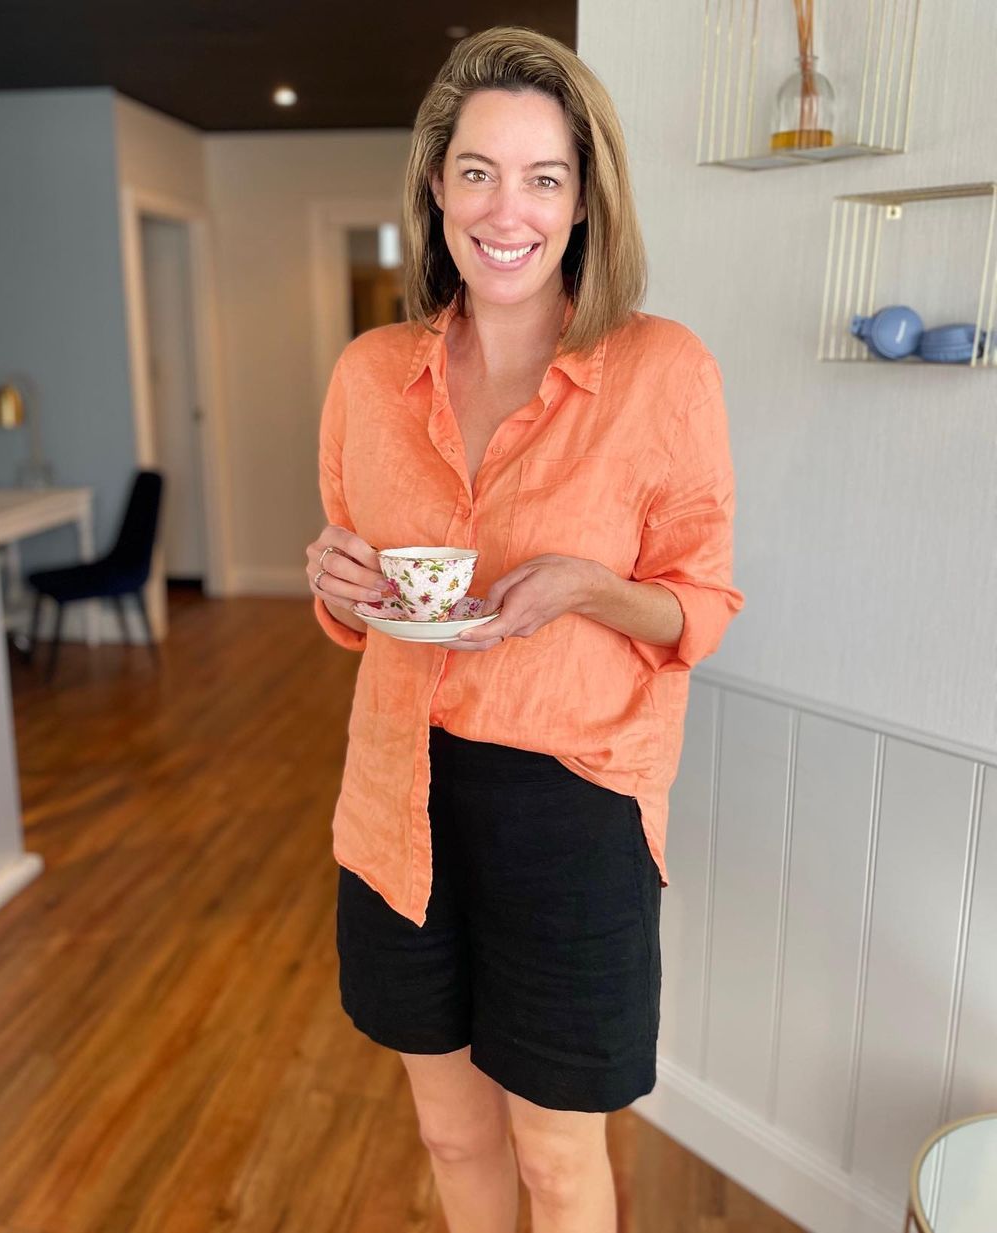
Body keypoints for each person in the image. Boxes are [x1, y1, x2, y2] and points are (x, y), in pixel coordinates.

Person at [304, 25, 745, 1233]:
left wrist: (591, 590)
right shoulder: (367, 377)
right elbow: (359, 606)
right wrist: (334, 583)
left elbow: (702, 604)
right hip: (397, 796)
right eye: (479, 172)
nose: (509, 210)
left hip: (571, 814)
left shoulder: (663, 371)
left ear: (584, 199)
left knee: (557, 1159)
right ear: (437, 187)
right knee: (451, 1135)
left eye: (544, 177)